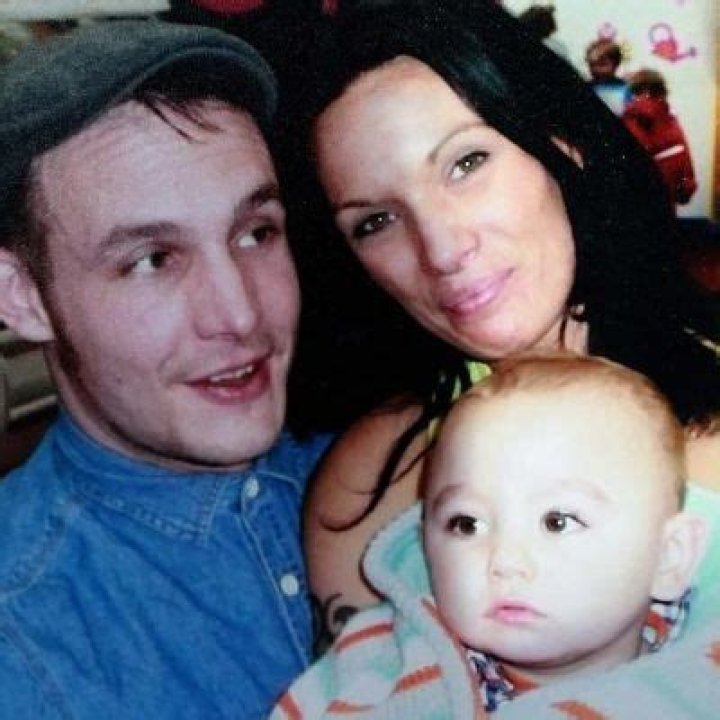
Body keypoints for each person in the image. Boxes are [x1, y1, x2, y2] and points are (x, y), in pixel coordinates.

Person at [275, 0, 720, 706]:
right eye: (377, 220)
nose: (442, 248)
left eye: (466, 163)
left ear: (562, 144)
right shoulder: (368, 496)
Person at [0, 20, 330, 719]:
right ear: (21, 296)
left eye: (256, 233)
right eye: (152, 260)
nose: (239, 313)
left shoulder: (397, 465)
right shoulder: (25, 641)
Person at [272, 354, 714, 718]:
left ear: (669, 557)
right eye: (467, 524)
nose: (504, 560)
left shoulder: (700, 679)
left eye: (557, 522)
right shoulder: (378, 663)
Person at [622, 67, 697, 209]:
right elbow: (683, 153)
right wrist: (686, 188)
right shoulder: (669, 117)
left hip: (642, 197)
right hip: (669, 195)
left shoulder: (631, 117)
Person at [584, 36, 631, 115]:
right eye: (592, 64)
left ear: (616, 64)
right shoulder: (586, 87)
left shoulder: (625, 89)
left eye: (602, 64)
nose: (596, 69)